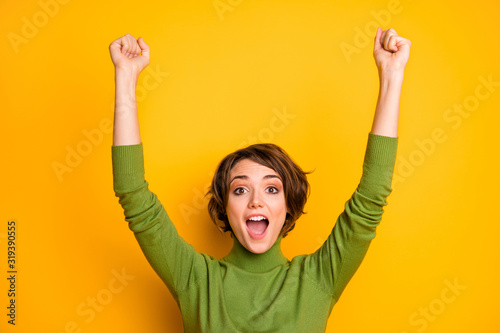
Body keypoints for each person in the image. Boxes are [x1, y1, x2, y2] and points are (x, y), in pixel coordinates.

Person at [109, 27, 411, 332]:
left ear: (288, 206)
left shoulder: (317, 278)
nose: (256, 201)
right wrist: (125, 76)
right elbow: (132, 193)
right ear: (225, 207)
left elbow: (371, 198)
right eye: (240, 189)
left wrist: (391, 74)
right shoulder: (196, 279)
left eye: (271, 188)